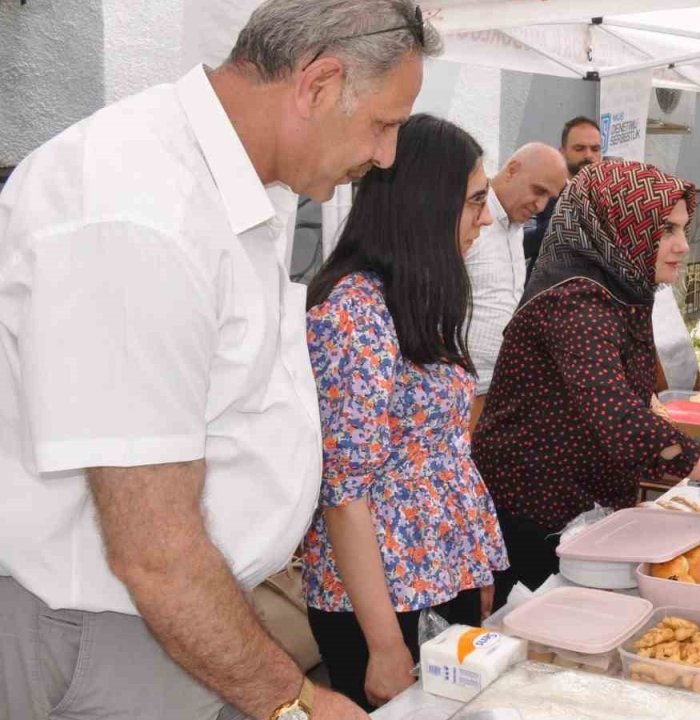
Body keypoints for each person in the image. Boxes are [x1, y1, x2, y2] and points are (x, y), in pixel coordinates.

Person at [0, 2, 435, 719]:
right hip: (104, 634)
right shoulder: (139, 206)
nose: (385, 157)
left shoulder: (218, 183)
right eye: (384, 125)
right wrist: (292, 701)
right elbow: (155, 552)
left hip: (177, 623)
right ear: (319, 84)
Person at [474, 161, 700, 607]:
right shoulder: (575, 300)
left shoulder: (620, 286)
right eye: (665, 231)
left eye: (681, 230)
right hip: (537, 507)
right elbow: (619, 419)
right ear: (619, 228)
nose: (682, 246)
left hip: (582, 503)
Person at [302, 115, 510, 711]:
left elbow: (442, 455)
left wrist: (475, 564)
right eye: (474, 201)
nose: (487, 218)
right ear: (426, 203)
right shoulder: (354, 315)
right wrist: (386, 645)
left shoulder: (411, 298)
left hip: (440, 575)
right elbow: (345, 494)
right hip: (383, 603)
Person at [466, 143, 568, 422]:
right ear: (512, 170)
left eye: (550, 197)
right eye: (538, 191)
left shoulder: (516, 228)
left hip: (501, 390)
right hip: (465, 395)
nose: (541, 205)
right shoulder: (470, 220)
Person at [523, 116, 603, 271]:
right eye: (579, 148)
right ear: (562, 152)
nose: (588, 156)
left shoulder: (609, 195)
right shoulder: (543, 189)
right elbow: (523, 242)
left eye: (595, 149)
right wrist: (569, 218)